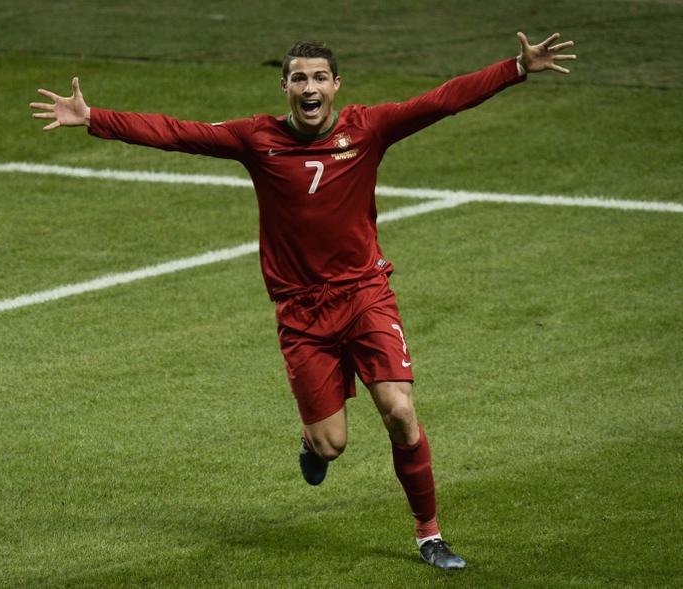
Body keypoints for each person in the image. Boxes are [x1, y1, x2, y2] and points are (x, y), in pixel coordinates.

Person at [30, 32, 576, 571]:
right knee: (332, 444)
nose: (309, 88)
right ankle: (312, 446)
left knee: (401, 412)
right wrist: (94, 118)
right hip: (301, 313)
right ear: (285, 88)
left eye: (319, 78)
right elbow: (176, 132)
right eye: (299, 79)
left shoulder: (368, 128)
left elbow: (441, 101)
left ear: (336, 85)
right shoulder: (256, 139)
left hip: (364, 295)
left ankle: (429, 535)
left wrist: (515, 69)